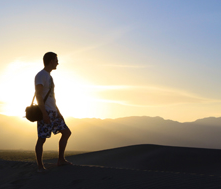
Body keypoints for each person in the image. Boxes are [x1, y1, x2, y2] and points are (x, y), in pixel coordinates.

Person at [35, 52, 72, 172]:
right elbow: (38, 96)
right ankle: (40, 167)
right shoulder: (41, 75)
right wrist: (44, 113)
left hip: (54, 112)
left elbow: (52, 97)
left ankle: (61, 160)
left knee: (66, 132)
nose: (58, 62)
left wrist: (59, 112)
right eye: (56, 60)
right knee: (42, 139)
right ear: (51, 61)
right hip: (45, 112)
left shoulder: (49, 76)